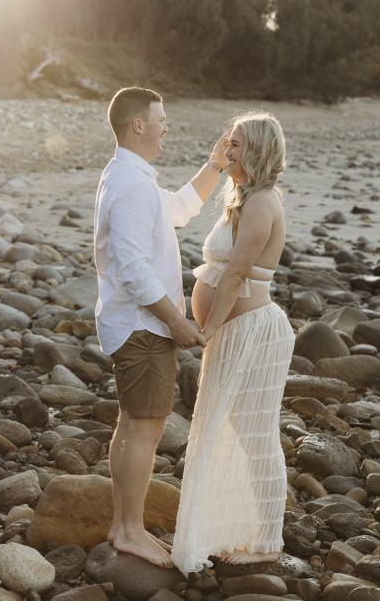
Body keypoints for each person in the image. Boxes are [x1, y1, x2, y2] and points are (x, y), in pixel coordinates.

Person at [94, 86, 229, 568]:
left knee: (134, 425)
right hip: (141, 328)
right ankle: (129, 530)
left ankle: (123, 525)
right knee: (144, 428)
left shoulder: (133, 178)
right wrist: (177, 323)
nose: (166, 126)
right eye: (161, 119)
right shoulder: (130, 184)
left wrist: (216, 165)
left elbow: (179, 209)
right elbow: (131, 267)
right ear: (138, 125)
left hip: (138, 326)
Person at [171, 111, 293, 573]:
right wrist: (218, 161)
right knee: (233, 431)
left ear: (259, 150)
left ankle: (267, 540)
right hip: (233, 331)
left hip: (251, 333)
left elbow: (238, 272)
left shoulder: (262, 201)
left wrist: (207, 330)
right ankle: (241, 527)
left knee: (256, 435)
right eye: (228, 142)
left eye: (237, 144)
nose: (228, 150)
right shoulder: (242, 196)